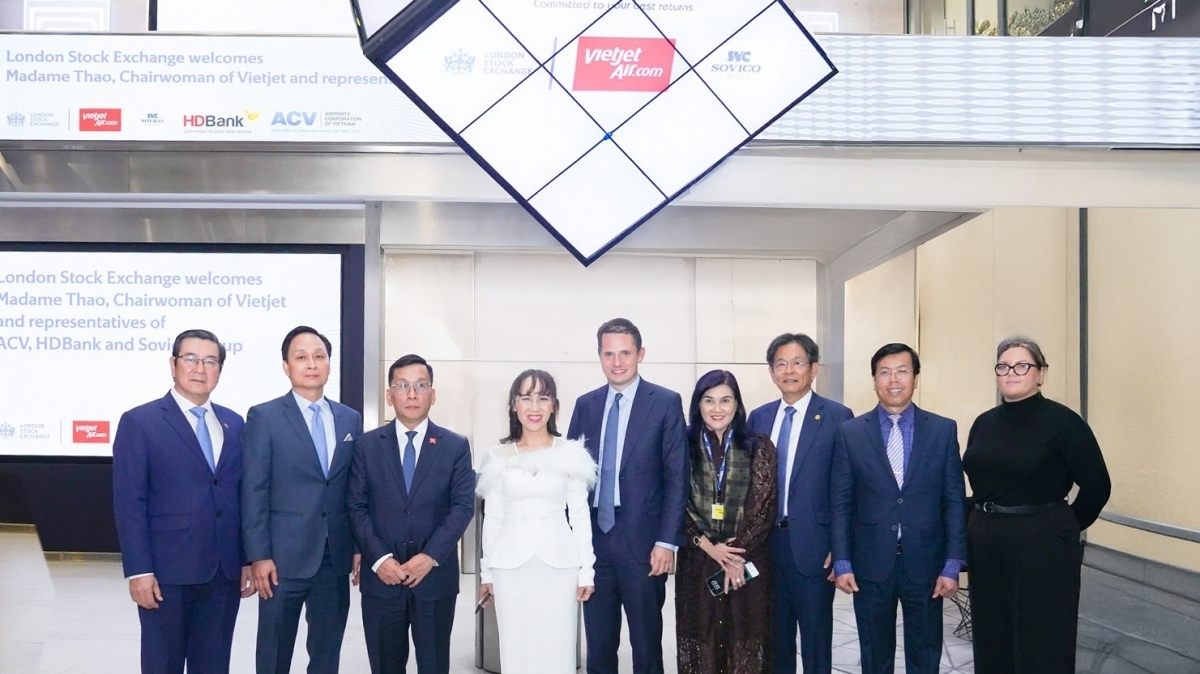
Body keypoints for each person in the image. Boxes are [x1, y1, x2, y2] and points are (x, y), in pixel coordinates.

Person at [963, 336, 1111, 674]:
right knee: (991, 638)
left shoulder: (1063, 422)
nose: (1010, 373)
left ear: (1041, 373)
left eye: (1022, 366)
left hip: (1042, 545)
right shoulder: (984, 423)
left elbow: (1098, 486)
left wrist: (1061, 528)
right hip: (986, 544)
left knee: (1042, 641)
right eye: (1003, 366)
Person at [113, 329, 254, 674]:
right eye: (190, 359)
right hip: (166, 573)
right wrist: (139, 571)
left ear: (220, 370)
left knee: (214, 665)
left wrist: (247, 559)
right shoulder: (140, 422)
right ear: (173, 364)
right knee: (163, 664)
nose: (200, 368)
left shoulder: (234, 423)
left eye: (210, 361)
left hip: (223, 573)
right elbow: (130, 503)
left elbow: (241, 496)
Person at [830, 343, 967, 674]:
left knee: (925, 652)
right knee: (874, 653)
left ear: (915, 378)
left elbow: (953, 500)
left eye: (902, 371)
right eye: (885, 372)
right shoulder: (850, 433)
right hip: (870, 561)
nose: (894, 380)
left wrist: (952, 563)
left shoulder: (942, 430)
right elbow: (842, 502)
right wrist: (842, 560)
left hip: (926, 561)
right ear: (874, 380)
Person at [567, 317, 688, 674]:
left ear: (640, 354)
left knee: (646, 646)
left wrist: (666, 542)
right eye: (609, 354)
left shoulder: (665, 402)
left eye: (625, 353)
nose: (617, 362)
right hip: (595, 544)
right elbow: (571, 475)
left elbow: (677, 477)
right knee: (599, 647)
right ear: (600, 356)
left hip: (644, 544)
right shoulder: (585, 405)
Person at [241, 325, 364, 674]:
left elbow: (354, 488)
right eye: (301, 357)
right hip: (281, 560)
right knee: (274, 653)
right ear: (286, 366)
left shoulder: (349, 418)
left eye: (319, 356)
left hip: (334, 557)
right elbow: (253, 490)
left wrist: (357, 545)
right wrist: (258, 555)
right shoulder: (264, 416)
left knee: (327, 654)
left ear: (328, 363)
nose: (311, 364)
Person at [346, 354, 475, 674]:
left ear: (433, 394)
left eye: (421, 385)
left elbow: (462, 507)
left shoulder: (455, 446)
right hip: (381, 581)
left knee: (434, 665)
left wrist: (429, 557)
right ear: (389, 395)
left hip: (434, 580)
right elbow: (356, 506)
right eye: (402, 386)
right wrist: (379, 560)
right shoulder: (366, 445)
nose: (412, 394)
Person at [476, 370, 597, 673]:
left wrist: (587, 571)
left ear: (553, 405)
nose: (534, 407)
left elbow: (580, 516)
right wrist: (486, 571)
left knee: (557, 649)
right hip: (509, 567)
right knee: (516, 649)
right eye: (526, 398)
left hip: (559, 565)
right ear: (513, 405)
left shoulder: (571, 455)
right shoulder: (497, 457)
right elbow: (493, 518)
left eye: (542, 398)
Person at [748, 333, 853, 674]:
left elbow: (845, 489)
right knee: (775, 640)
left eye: (797, 362)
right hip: (767, 548)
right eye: (781, 364)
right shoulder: (759, 418)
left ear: (814, 369)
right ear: (771, 371)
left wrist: (840, 548)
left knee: (816, 640)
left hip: (815, 547)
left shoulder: (838, 417)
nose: (789, 370)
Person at [676, 369, 778, 674]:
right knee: (702, 638)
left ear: (737, 404)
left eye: (725, 400)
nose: (717, 408)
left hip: (747, 561)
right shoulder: (681, 445)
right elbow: (673, 502)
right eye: (709, 400)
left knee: (745, 638)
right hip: (698, 559)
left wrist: (734, 556)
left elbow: (764, 506)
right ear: (698, 405)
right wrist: (708, 546)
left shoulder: (758, 445)